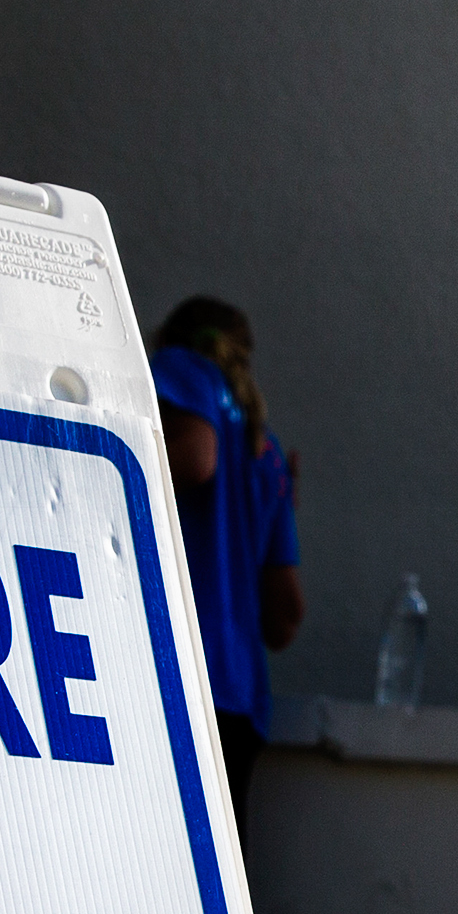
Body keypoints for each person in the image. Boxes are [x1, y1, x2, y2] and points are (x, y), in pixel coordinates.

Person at [151, 296, 305, 786]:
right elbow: (285, 619)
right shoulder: (268, 452)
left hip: (174, 675)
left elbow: (197, 460)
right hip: (240, 695)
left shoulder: (183, 368)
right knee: (226, 860)